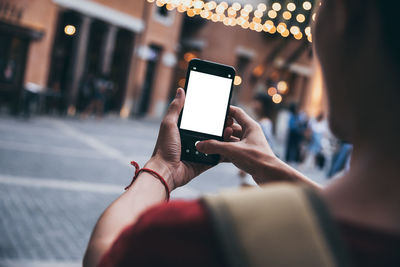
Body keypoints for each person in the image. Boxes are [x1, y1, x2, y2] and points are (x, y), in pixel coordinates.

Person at [84, 0, 400, 266]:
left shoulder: (196, 238)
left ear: (348, 18)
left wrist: (162, 169)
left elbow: (104, 255)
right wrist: (270, 168)